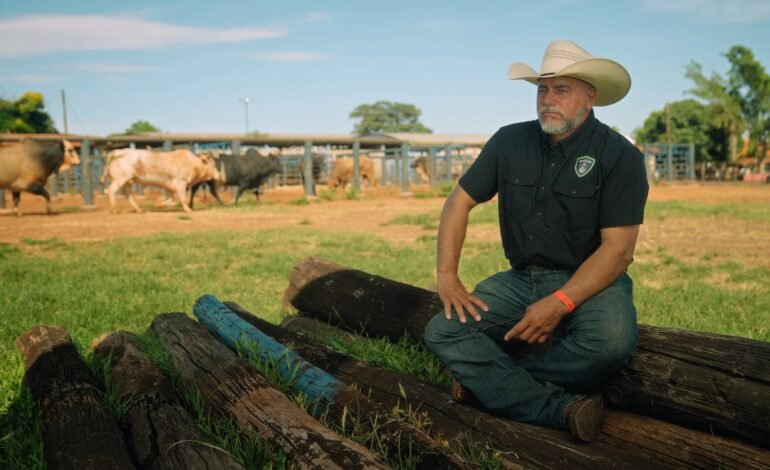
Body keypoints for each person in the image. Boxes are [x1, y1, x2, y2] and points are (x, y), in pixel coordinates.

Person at [423, 40, 648, 442]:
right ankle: (557, 408)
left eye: (562, 90)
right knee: (443, 331)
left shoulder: (620, 156)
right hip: (520, 279)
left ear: (590, 96)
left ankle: (488, 386)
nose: (548, 100)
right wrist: (446, 275)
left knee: (610, 343)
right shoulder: (509, 142)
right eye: (542, 90)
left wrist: (560, 304)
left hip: (593, 280)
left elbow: (618, 252)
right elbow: (458, 201)